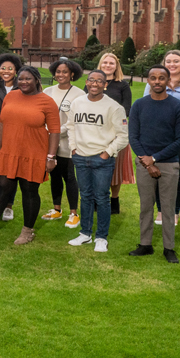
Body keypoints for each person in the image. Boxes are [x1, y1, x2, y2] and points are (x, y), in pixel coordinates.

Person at [0, 66, 59, 245]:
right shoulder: (11, 96)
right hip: (9, 152)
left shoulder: (47, 102)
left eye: (28, 79)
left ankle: (27, 231)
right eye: (21, 79)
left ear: (37, 79)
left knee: (29, 191)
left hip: (34, 153)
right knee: (0, 189)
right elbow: (1, 123)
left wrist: (51, 157)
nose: (23, 82)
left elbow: (55, 131)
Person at [128, 65, 180, 264]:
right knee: (146, 206)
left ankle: (168, 248)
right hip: (144, 163)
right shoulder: (139, 105)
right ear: (148, 80)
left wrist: (155, 159)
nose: (157, 81)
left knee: (168, 208)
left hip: (169, 164)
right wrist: (146, 160)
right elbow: (133, 137)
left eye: (162, 78)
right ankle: (145, 244)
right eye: (153, 78)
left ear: (168, 81)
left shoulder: (177, 107)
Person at [65, 70, 129, 253]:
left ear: (105, 85)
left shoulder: (114, 107)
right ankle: (85, 234)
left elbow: (123, 136)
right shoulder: (77, 103)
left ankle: (101, 237)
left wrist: (107, 153)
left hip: (102, 159)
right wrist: (73, 148)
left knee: (101, 198)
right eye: (92, 80)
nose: (95, 84)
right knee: (85, 197)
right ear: (86, 82)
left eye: (99, 81)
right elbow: (71, 127)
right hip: (80, 157)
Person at [144, 49, 180, 226]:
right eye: (168, 61)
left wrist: (175, 130)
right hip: (158, 138)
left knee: (178, 174)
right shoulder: (155, 82)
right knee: (159, 173)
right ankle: (161, 211)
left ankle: (174, 212)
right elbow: (147, 108)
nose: (172, 64)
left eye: (176, 61)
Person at [42, 58, 85, 228]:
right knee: (54, 175)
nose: (61, 75)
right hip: (51, 142)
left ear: (72, 74)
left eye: (64, 72)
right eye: (58, 72)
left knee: (69, 177)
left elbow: (75, 120)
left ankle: (74, 213)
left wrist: (57, 132)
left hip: (69, 142)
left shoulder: (79, 94)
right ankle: (56, 209)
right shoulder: (47, 91)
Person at [94, 51, 134, 214]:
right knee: (96, 167)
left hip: (116, 133)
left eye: (111, 63)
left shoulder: (122, 85)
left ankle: (114, 200)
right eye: (105, 63)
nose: (107, 66)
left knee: (115, 169)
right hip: (94, 133)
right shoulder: (93, 82)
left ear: (116, 66)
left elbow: (126, 110)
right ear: (100, 64)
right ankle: (98, 199)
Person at [0, 52, 22, 222]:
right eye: (3, 68)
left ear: (16, 70)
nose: (6, 71)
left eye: (10, 68)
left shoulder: (22, 85)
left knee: (11, 171)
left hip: (14, 133)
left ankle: (8, 206)